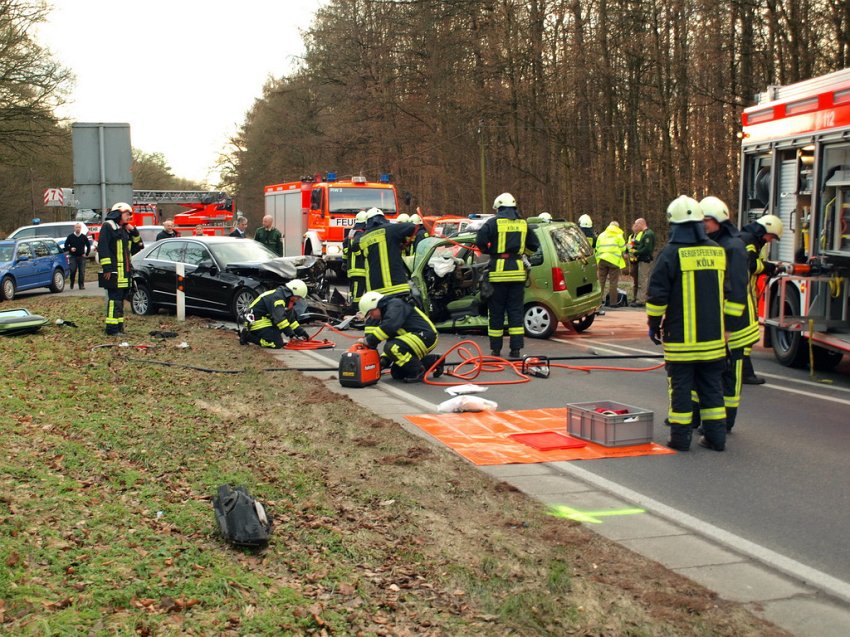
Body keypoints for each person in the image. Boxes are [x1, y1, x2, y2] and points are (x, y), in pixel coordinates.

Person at [647, 195, 727, 451]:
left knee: (681, 390)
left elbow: (657, 296)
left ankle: (680, 440)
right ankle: (716, 438)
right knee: (712, 389)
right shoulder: (717, 251)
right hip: (713, 339)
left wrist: (653, 323)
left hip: (681, 340)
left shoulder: (670, 254)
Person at [700, 196, 757, 433]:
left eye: (705, 221)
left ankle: (725, 422)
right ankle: (713, 422)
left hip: (736, 328)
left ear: (717, 221)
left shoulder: (733, 247)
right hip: (723, 324)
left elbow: (736, 292)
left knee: (730, 379)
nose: (702, 226)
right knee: (716, 376)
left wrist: (728, 327)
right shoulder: (718, 243)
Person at [474, 192, 541, 358]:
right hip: (517, 272)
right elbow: (534, 245)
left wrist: (490, 251)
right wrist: (523, 253)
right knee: (515, 312)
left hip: (498, 273)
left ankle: (496, 349)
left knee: (496, 313)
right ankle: (516, 349)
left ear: (499, 208)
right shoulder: (523, 224)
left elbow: (480, 241)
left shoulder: (492, 223)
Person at [738, 214, 784, 384]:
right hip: (743, 294)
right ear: (766, 229)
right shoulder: (750, 241)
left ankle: (740, 370)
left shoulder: (747, 237)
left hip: (742, 292)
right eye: (771, 236)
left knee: (743, 334)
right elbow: (750, 264)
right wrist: (769, 267)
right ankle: (744, 373)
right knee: (747, 334)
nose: (770, 241)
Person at [358, 291, 441, 383]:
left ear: (375, 306)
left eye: (371, 313)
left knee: (393, 347)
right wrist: (384, 360)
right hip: (414, 336)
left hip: (425, 335)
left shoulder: (395, 305)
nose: (372, 317)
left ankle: (418, 371)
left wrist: (369, 340)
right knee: (397, 373)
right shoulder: (388, 310)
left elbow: (389, 327)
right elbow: (393, 338)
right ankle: (434, 361)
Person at [99, 202, 144, 335]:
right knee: (114, 300)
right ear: (118, 213)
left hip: (125, 272)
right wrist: (107, 268)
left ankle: (119, 327)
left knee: (120, 300)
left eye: (130, 215)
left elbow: (138, 247)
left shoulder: (124, 229)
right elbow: (103, 247)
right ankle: (111, 329)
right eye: (127, 214)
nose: (129, 217)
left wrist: (134, 231)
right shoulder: (108, 227)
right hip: (114, 272)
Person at [352, 207, 416, 297]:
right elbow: (412, 226)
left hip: (374, 290)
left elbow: (358, 250)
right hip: (397, 286)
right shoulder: (392, 229)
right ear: (383, 218)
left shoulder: (363, 238)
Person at [239, 279, 310, 348]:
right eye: (298, 297)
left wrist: (302, 333)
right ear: (294, 293)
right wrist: (291, 334)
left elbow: (291, 320)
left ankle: (266, 335)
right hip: (255, 321)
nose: (298, 300)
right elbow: (280, 320)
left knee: (278, 336)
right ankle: (248, 336)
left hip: (265, 320)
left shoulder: (287, 298)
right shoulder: (278, 298)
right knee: (276, 343)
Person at [595, 220, 627, 308]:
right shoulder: (618, 235)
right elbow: (623, 248)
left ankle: (598, 302)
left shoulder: (601, 235)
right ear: (617, 227)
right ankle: (613, 302)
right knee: (613, 282)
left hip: (602, 260)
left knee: (601, 281)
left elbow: (597, 248)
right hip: (613, 261)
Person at [627, 217, 656, 307]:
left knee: (643, 281)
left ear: (641, 224)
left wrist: (636, 252)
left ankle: (641, 300)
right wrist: (635, 244)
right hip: (641, 259)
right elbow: (641, 245)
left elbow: (647, 249)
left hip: (645, 259)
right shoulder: (644, 234)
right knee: (640, 280)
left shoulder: (647, 234)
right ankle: (640, 298)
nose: (635, 227)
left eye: (636, 225)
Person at [342, 211, 368, 308]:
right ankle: (355, 308)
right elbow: (355, 245)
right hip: (359, 268)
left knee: (354, 289)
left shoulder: (352, 231)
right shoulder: (360, 233)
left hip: (351, 268)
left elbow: (345, 244)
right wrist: (359, 255)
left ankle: (352, 305)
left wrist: (345, 261)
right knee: (358, 291)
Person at [64, 222, 90, 289]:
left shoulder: (83, 237)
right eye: (76, 227)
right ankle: (72, 282)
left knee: (82, 271)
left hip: (81, 256)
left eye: (79, 227)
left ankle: (81, 285)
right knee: (73, 271)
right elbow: (65, 245)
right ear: (74, 228)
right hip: (73, 257)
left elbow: (88, 245)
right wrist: (70, 249)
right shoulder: (70, 236)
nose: (78, 229)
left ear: (81, 228)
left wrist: (86, 253)